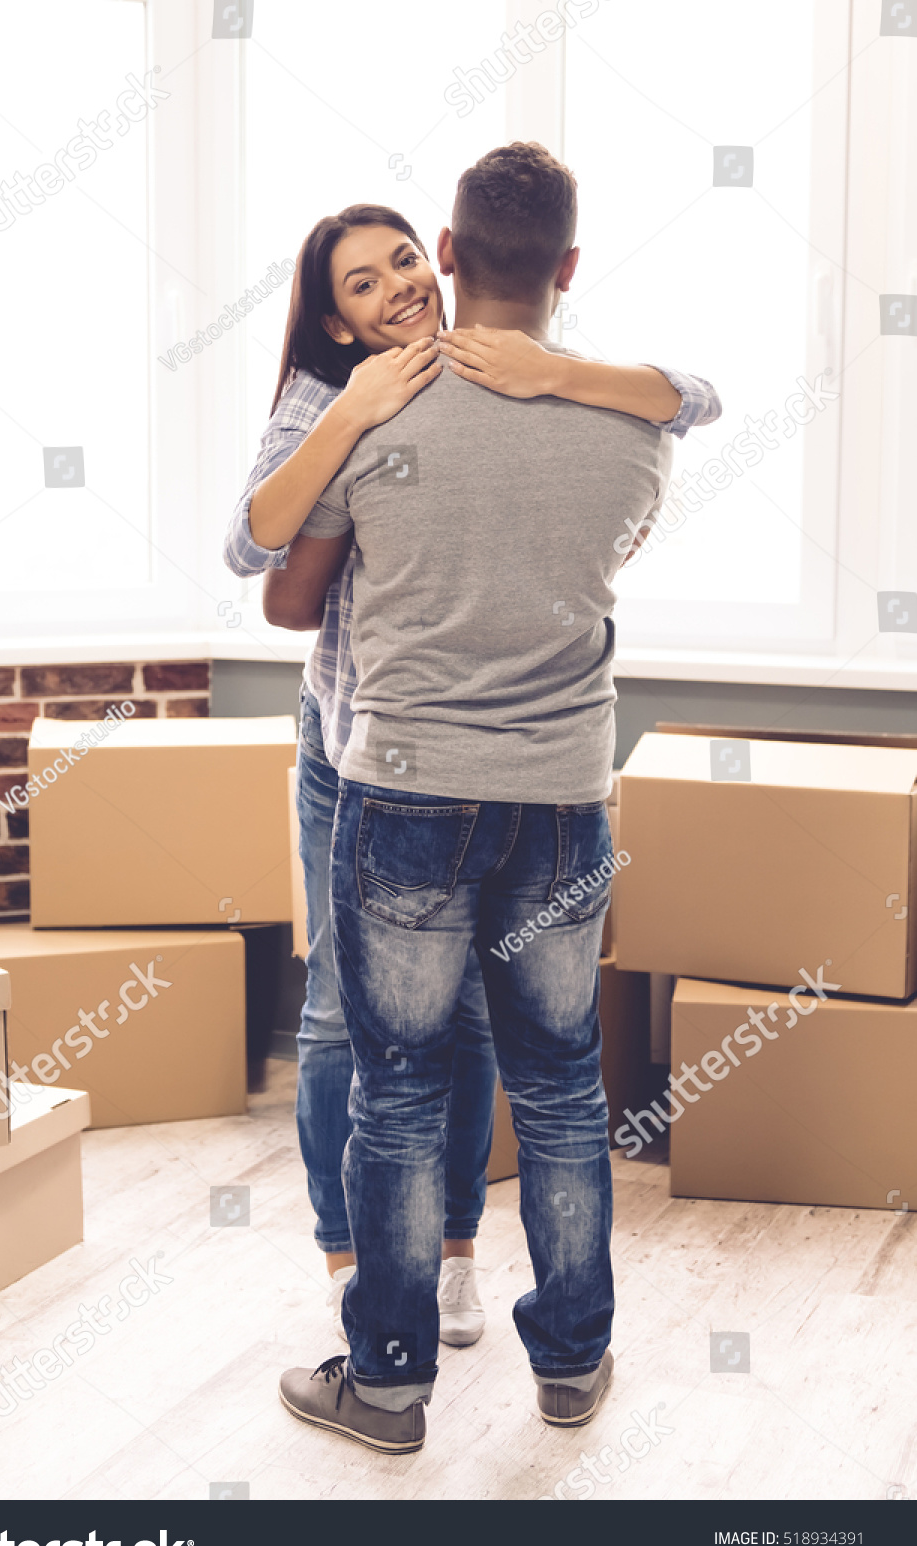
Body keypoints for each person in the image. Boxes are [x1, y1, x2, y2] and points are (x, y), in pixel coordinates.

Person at [223, 198, 719, 1360]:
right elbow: (261, 562)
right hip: (375, 754)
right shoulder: (334, 403)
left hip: (416, 771)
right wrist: (351, 414)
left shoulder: (533, 383)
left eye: (404, 260)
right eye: (362, 283)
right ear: (333, 321)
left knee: (450, 1052)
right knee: (377, 1027)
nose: (395, 286)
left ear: (443, 255)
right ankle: (376, 1277)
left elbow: (688, 393)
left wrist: (560, 374)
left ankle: (425, 1298)